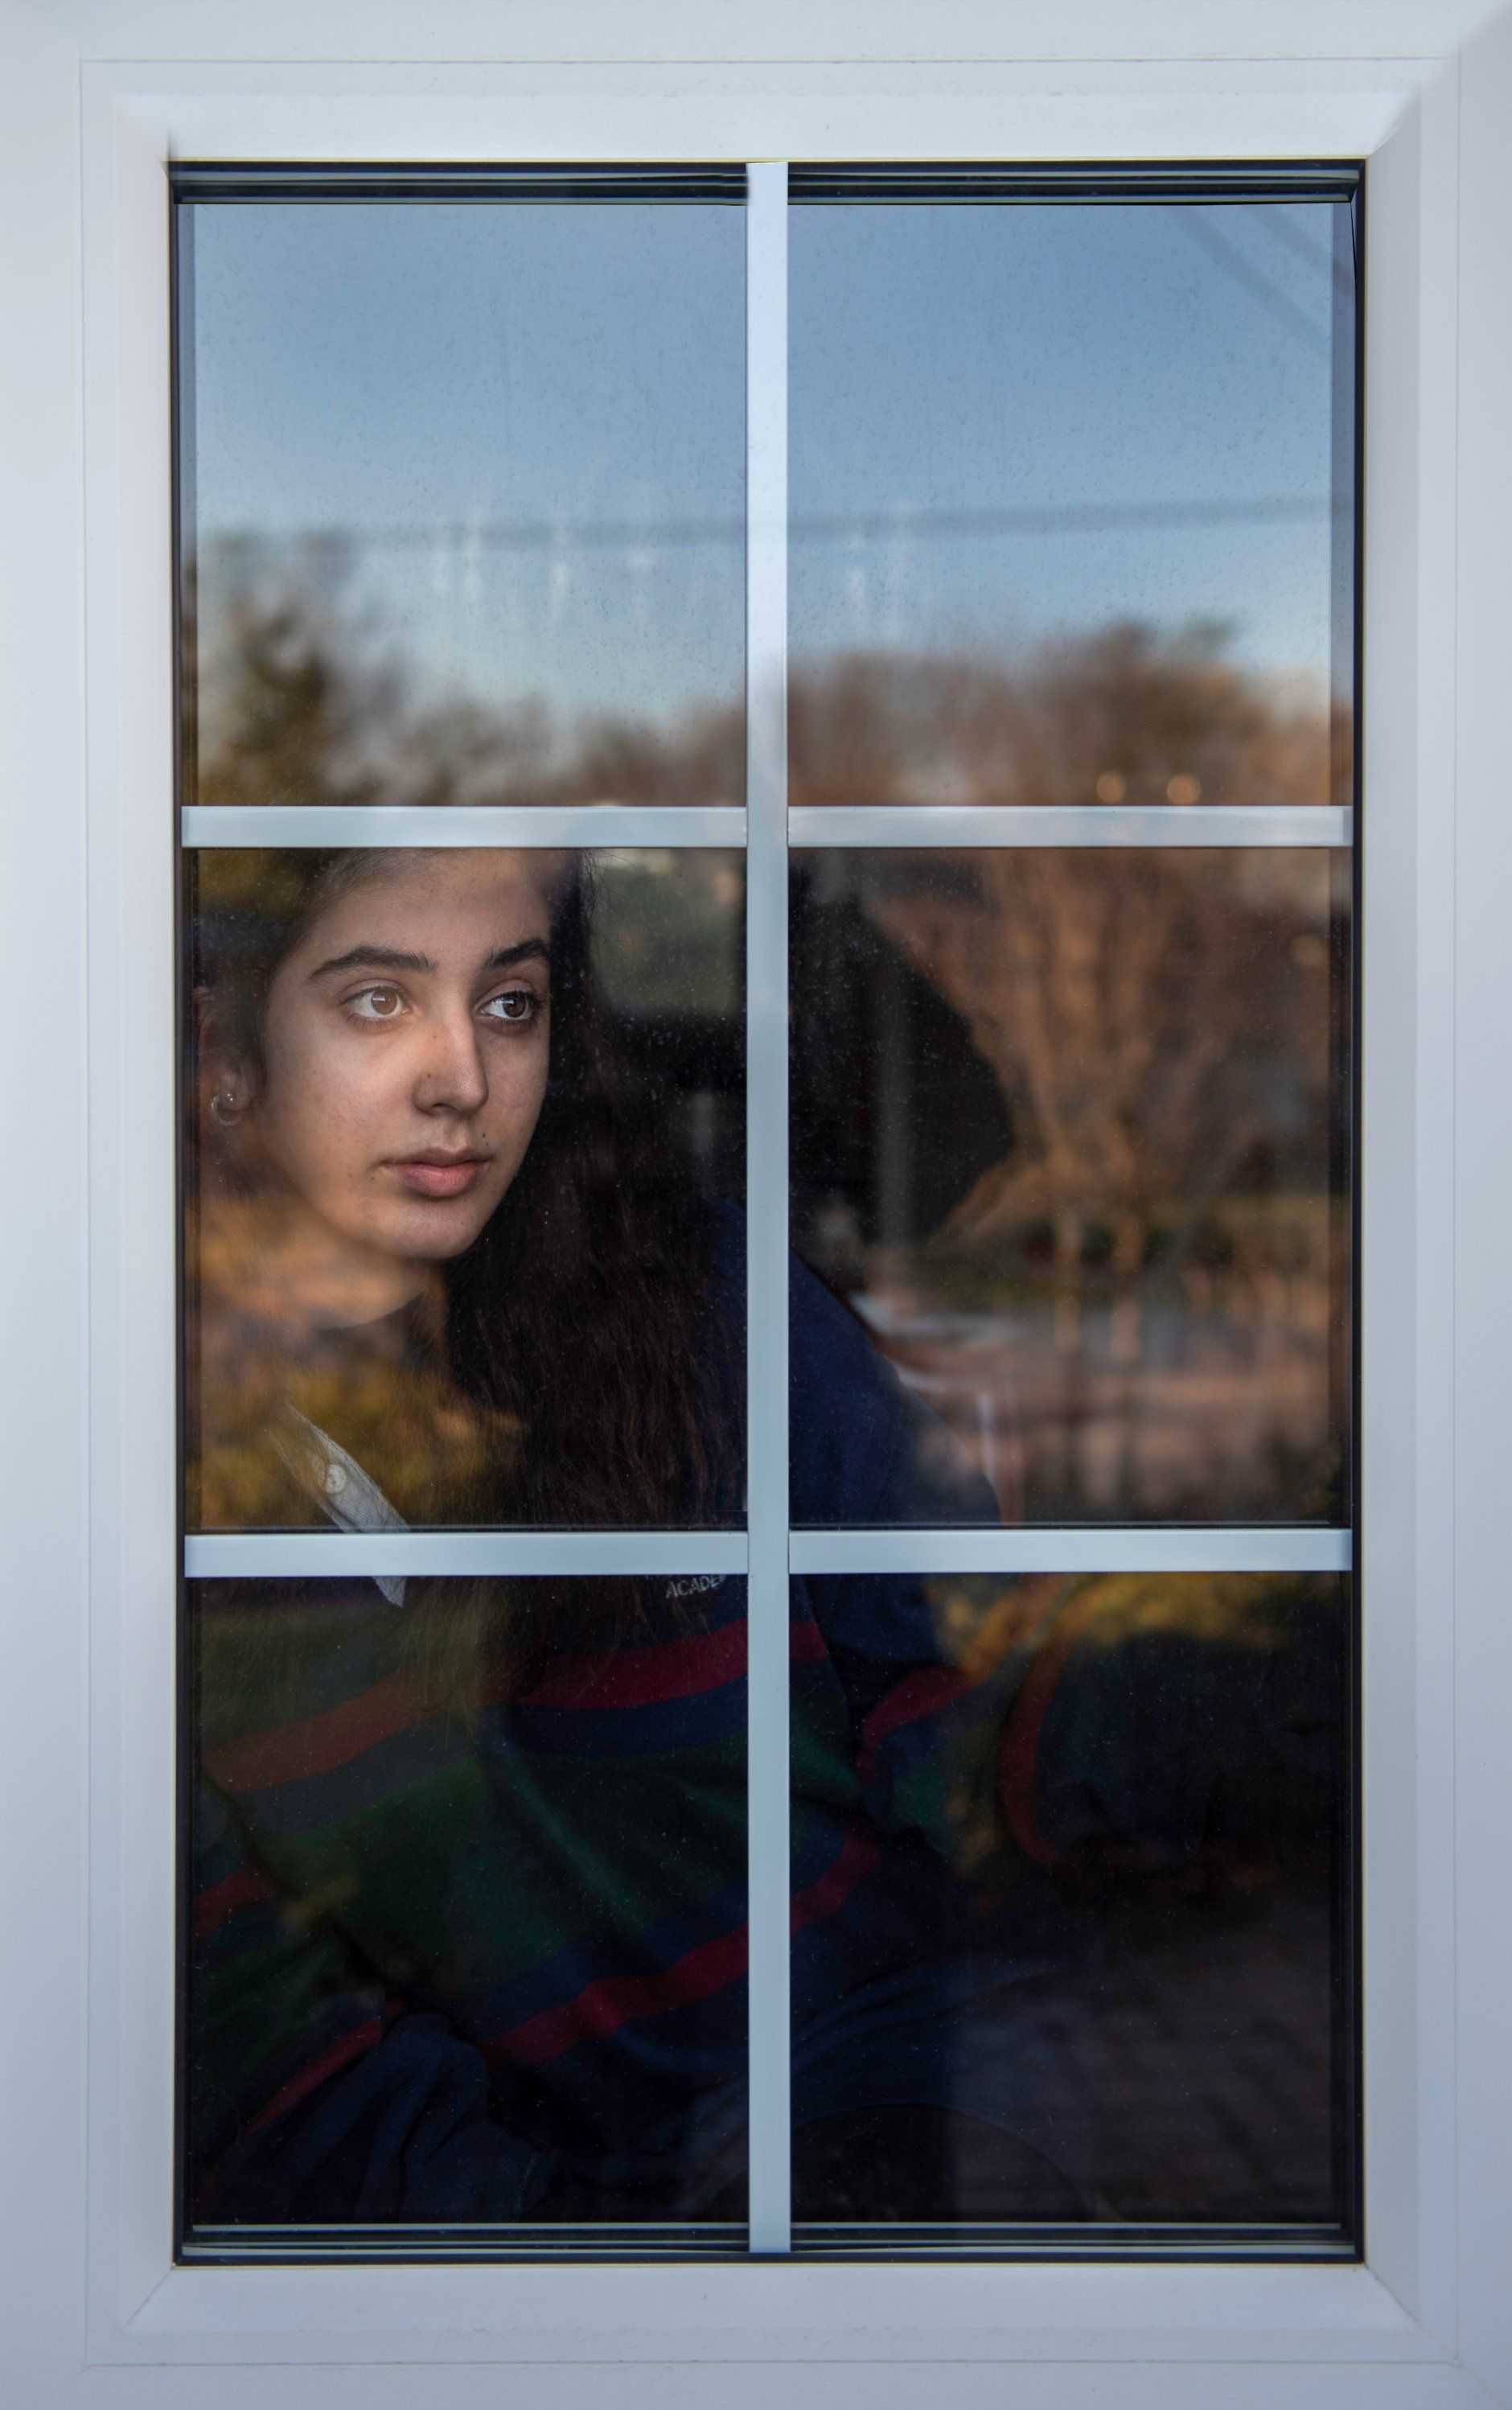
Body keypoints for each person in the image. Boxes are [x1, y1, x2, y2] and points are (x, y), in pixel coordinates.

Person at [186, 846, 1094, 2233]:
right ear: (226, 1048)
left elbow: (961, 1692)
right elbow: (238, 2013)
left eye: (512, 1006)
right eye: (377, 1001)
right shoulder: (136, 1463)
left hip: (879, 2122)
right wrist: (585, 2265)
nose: (461, 1080)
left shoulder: (707, 1304)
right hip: (509, 2266)